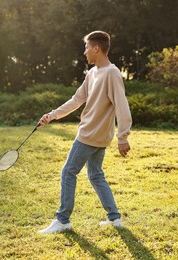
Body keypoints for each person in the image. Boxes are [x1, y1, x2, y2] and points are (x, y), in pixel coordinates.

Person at [38, 31, 132, 234]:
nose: (85, 52)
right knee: (96, 175)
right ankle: (114, 218)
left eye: (87, 47)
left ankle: (62, 220)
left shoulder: (112, 73)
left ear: (96, 48)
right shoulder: (92, 73)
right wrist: (52, 115)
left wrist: (123, 137)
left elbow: (122, 106)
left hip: (89, 135)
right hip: (99, 137)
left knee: (68, 172)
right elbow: (76, 100)